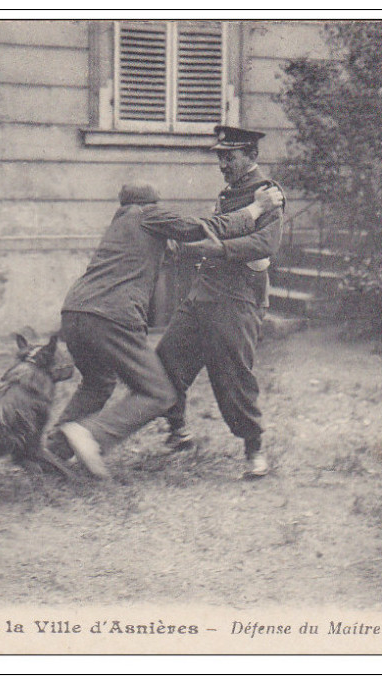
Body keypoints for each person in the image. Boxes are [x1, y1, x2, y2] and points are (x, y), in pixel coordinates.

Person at [52, 181, 284, 479]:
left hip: (74, 312)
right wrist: (257, 208)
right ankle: (92, 436)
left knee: (98, 382)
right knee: (160, 392)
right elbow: (205, 227)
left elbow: (174, 248)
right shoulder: (150, 215)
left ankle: (55, 449)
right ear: (151, 205)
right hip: (113, 316)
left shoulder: (122, 223)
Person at [155, 125, 286, 480]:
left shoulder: (267, 193)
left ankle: (254, 450)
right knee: (167, 359)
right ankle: (178, 432)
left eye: (230, 156)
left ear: (252, 156)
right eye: (220, 156)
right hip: (205, 293)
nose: (223, 163)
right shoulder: (230, 193)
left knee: (232, 377)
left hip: (238, 298)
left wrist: (220, 249)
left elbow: (266, 245)